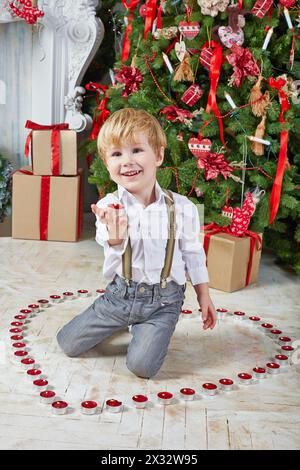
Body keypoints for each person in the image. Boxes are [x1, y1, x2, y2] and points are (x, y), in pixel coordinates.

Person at [57, 108, 216, 379]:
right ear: (108, 166)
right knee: (67, 343)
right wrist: (116, 233)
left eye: (136, 150)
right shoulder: (108, 207)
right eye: (117, 154)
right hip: (121, 296)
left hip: (164, 301)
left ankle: (151, 328)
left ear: (159, 155)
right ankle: (120, 321)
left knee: (141, 367)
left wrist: (204, 294)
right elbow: (111, 248)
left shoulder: (184, 207)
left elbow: (193, 253)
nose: (127, 161)